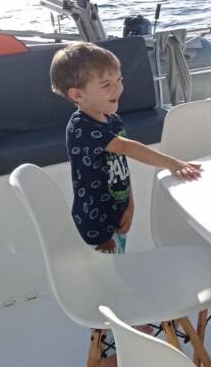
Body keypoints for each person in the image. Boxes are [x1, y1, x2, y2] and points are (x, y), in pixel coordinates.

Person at [50, 41, 202, 253]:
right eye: (106, 85)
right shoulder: (81, 128)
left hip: (117, 214)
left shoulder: (113, 120)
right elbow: (127, 148)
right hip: (95, 225)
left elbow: (120, 166)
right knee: (107, 269)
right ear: (78, 95)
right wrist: (173, 164)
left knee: (120, 257)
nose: (118, 88)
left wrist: (129, 204)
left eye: (119, 80)